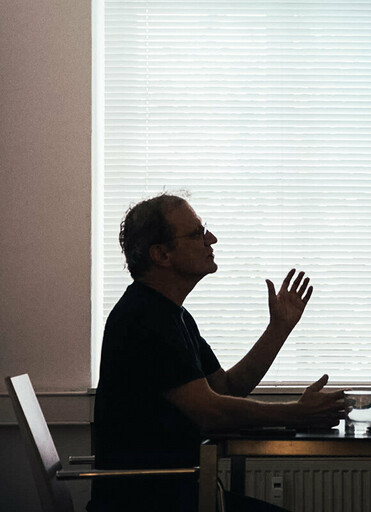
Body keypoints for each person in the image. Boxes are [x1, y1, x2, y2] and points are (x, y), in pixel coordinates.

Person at [91, 193, 347, 512]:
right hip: (150, 502)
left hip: (183, 495)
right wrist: (297, 412)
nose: (211, 239)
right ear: (161, 254)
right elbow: (210, 413)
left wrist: (279, 328)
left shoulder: (174, 316)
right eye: (197, 233)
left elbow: (224, 389)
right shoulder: (144, 318)